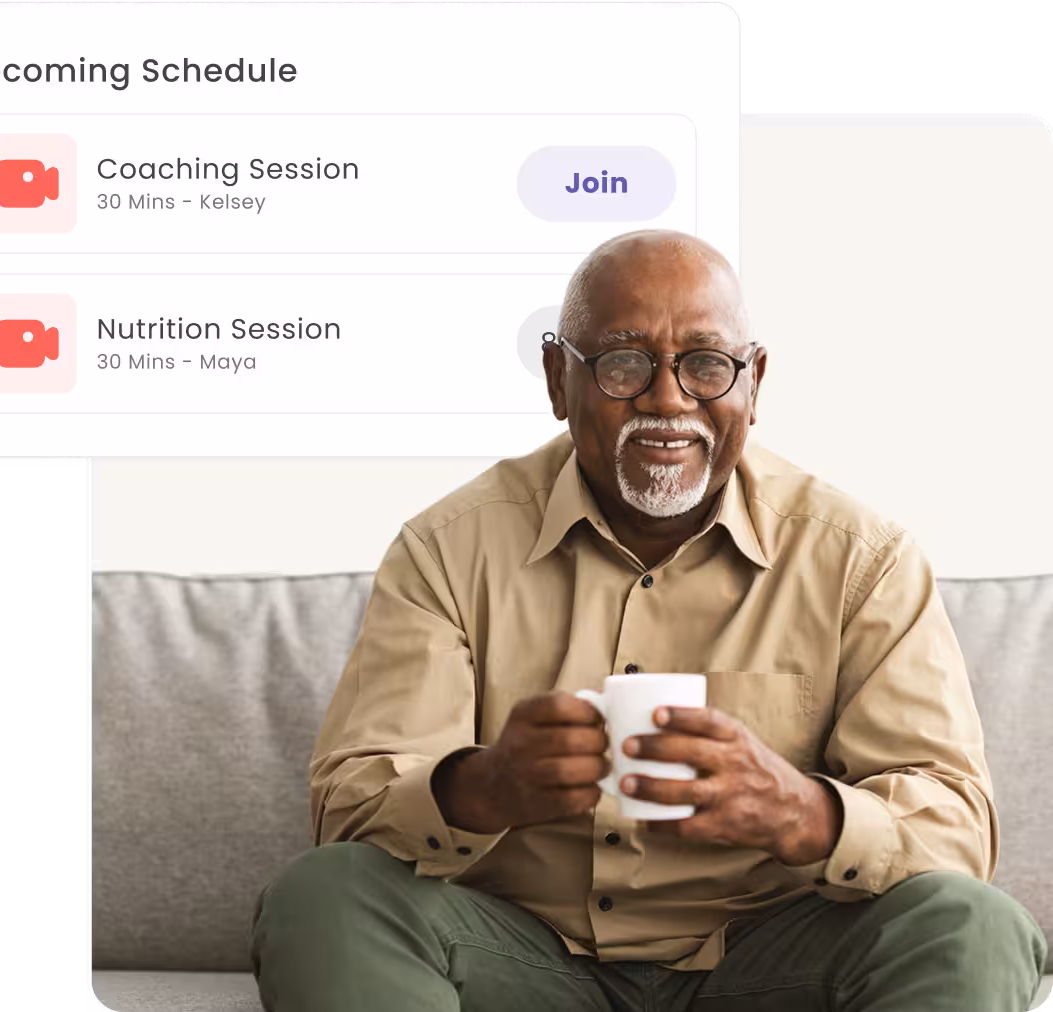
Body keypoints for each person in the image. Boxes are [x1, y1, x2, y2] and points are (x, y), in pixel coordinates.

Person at [250, 230, 1047, 1010]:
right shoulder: (448, 550)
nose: (668, 400)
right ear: (560, 380)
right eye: (624, 363)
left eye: (705, 364)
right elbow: (349, 811)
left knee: (972, 927)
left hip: (773, 957)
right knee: (326, 897)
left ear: (753, 382)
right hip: (518, 954)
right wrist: (483, 787)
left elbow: (956, 833)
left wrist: (803, 813)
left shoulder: (861, 560)